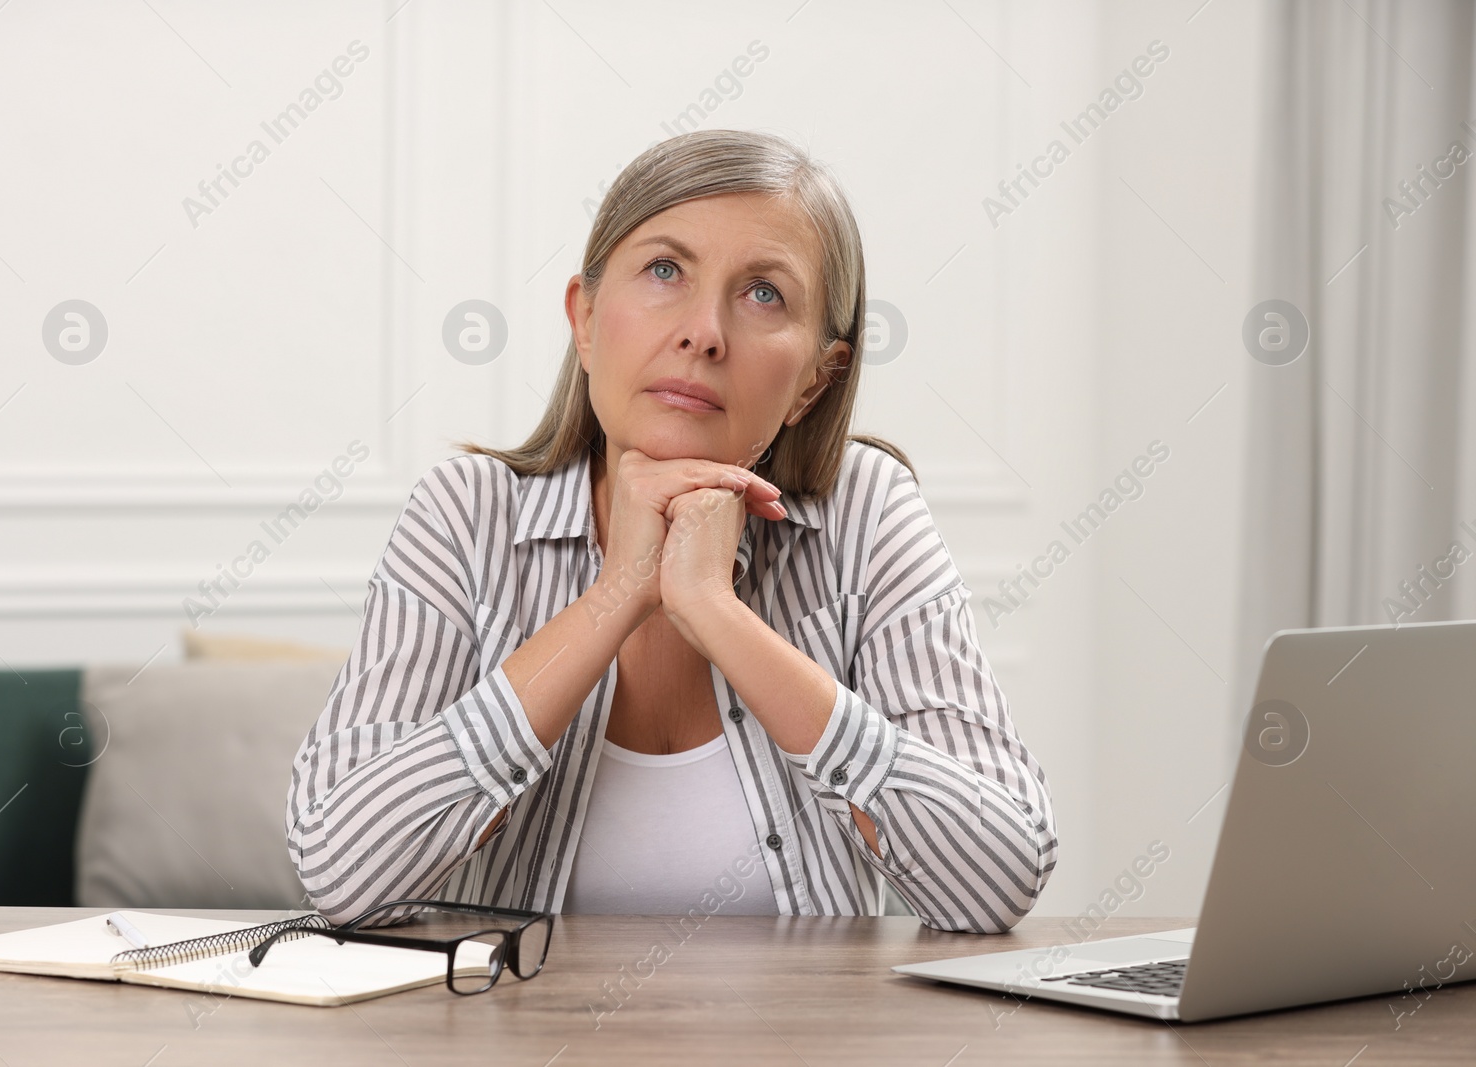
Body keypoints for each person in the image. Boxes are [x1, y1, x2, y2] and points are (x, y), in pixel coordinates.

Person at [286, 129, 1058, 932]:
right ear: (584, 320)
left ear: (813, 382)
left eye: (764, 293)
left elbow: (995, 879)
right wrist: (615, 596)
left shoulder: (866, 513)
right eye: (665, 270)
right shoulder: (466, 514)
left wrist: (713, 610)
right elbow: (343, 872)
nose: (705, 332)